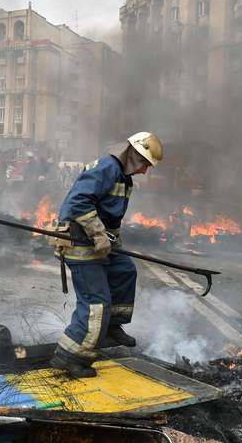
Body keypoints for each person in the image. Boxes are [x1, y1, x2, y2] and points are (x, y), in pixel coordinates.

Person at [49, 132, 164, 378]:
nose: (145, 171)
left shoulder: (124, 176)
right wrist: (98, 234)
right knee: (96, 302)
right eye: (145, 164)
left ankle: (111, 326)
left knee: (125, 270)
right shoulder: (108, 168)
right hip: (80, 242)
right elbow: (77, 202)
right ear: (135, 155)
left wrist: (112, 239)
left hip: (99, 241)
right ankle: (69, 356)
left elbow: (111, 217)